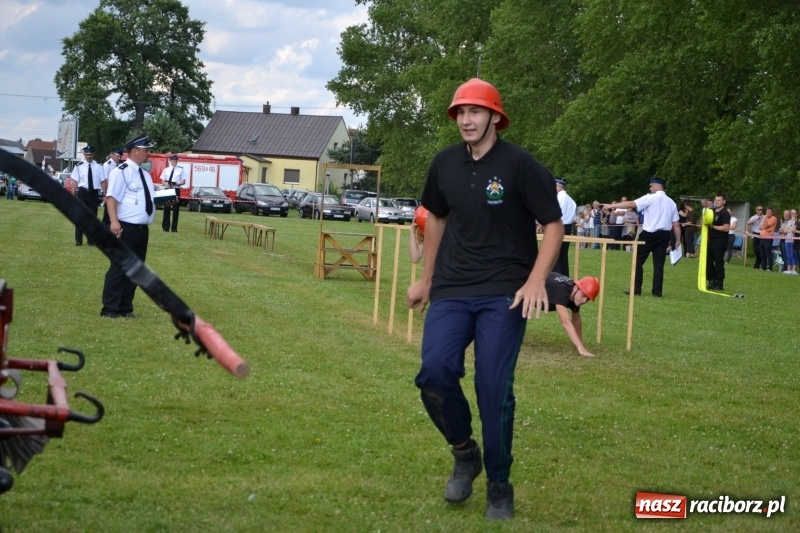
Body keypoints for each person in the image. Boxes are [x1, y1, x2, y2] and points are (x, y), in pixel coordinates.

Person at [405, 78, 564, 521]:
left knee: (493, 388)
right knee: (434, 373)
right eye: (461, 113)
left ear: (495, 116)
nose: (467, 120)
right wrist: (426, 279)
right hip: (453, 289)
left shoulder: (520, 165)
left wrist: (536, 281)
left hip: (505, 293)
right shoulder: (443, 165)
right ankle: (464, 452)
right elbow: (434, 219)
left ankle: (499, 484)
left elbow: (553, 225)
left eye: (476, 112)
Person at [100, 133, 156, 319]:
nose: (149, 153)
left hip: (141, 229)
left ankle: (125, 307)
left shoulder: (145, 175)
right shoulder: (121, 171)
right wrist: (114, 221)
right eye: (146, 150)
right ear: (134, 151)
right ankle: (109, 308)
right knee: (119, 267)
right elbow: (111, 198)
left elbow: (144, 199)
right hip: (125, 227)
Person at [604, 176, 680, 297]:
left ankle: (636, 289)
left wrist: (611, 206)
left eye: (651, 186)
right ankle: (657, 291)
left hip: (649, 233)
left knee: (637, 260)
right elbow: (676, 224)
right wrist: (678, 240)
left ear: (656, 186)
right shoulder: (672, 202)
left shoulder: (651, 198)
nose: (650, 188)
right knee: (659, 264)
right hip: (665, 234)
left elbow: (631, 203)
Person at [544, 273, 599, 357]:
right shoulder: (562, 290)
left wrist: (579, 344)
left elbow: (576, 320)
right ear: (576, 287)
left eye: (587, 299)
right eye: (584, 295)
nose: (584, 301)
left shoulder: (575, 294)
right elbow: (565, 322)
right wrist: (581, 349)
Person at [71, 145, 107, 246]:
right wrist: (73, 194)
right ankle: (78, 240)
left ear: (93, 154)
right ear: (84, 155)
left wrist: (104, 194)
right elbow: (74, 181)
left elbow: (103, 181)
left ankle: (91, 240)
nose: (89, 156)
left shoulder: (99, 166)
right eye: (87, 154)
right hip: (82, 192)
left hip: (93, 193)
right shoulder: (79, 166)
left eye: (91, 154)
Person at [706, 195, 731, 290]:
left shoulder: (725, 213)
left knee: (718, 261)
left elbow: (726, 228)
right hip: (711, 239)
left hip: (720, 240)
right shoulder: (711, 211)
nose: (717, 202)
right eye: (715, 200)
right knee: (708, 261)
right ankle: (711, 280)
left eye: (719, 200)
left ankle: (719, 283)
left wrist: (713, 226)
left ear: (724, 201)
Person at [554, 177, 576, 275]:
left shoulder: (559, 197)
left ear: (559, 186)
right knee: (563, 254)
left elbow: (556, 213)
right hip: (568, 227)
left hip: (559, 226)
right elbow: (574, 217)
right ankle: (564, 275)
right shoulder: (571, 200)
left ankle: (556, 276)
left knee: (555, 253)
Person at [160, 154, 185, 232]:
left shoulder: (181, 170)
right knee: (166, 208)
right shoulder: (166, 170)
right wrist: (166, 184)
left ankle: (174, 228)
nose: (175, 162)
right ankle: (165, 227)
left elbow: (183, 181)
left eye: (176, 161)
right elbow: (162, 180)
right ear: (170, 161)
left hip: (176, 189)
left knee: (175, 209)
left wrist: (178, 184)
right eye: (174, 161)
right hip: (168, 189)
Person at [102, 148, 123, 225]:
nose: (119, 158)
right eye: (117, 156)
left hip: (117, 192)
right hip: (110, 192)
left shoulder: (118, 165)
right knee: (108, 215)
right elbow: (105, 180)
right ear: (112, 154)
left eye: (120, 156)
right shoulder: (108, 165)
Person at [779, 210, 797, 275]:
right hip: (787, 240)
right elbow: (785, 230)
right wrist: (789, 230)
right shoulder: (789, 221)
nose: (793, 214)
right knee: (788, 255)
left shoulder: (796, 221)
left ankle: (794, 270)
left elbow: (793, 230)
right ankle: (788, 269)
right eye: (792, 213)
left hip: (793, 240)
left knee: (793, 255)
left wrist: (789, 230)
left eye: (794, 213)